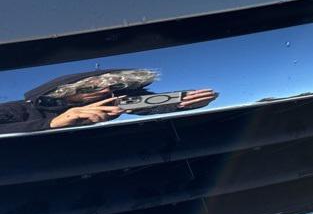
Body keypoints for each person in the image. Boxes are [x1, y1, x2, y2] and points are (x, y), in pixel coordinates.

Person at [0, 69, 216, 133]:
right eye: (91, 87)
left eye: (113, 87)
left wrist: (179, 103)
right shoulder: (17, 108)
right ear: (64, 92)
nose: (104, 91)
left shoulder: (111, 101)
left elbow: (141, 105)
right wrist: (51, 123)